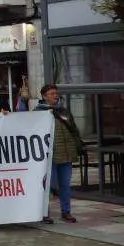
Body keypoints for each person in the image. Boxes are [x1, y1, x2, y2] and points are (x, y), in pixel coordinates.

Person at [34, 84, 82, 224]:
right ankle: (44, 213)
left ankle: (66, 212)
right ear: (44, 96)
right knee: (47, 186)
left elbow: (73, 130)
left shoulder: (64, 111)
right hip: (49, 157)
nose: (55, 95)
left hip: (66, 154)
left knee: (65, 185)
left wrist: (77, 146)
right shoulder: (38, 112)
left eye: (56, 93)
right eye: (51, 93)